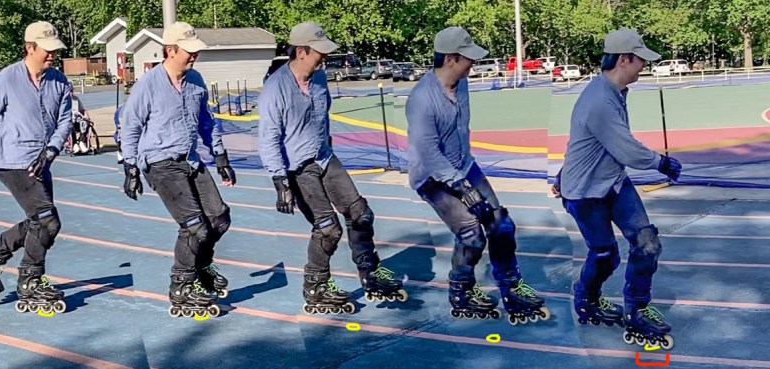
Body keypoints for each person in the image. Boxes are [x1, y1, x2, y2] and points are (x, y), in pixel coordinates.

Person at [257, 22, 406, 315]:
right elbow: (268, 138)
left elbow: (322, 117)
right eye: (319, 52)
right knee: (328, 229)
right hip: (298, 168)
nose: (324, 56)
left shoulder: (319, 78)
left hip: (325, 157)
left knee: (361, 214)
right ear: (301, 52)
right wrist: (280, 181)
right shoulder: (275, 89)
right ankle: (316, 286)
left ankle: (370, 271)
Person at [405, 27, 549, 325]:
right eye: (468, 58)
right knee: (471, 234)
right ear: (450, 59)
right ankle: (461, 292)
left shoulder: (462, 84)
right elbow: (430, 155)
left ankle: (511, 287)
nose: (473, 63)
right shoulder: (421, 99)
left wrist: (467, 181)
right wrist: (464, 189)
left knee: (501, 224)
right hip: (431, 176)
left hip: (464, 165)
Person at [557, 28, 679, 350]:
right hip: (585, 192)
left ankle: (637, 309)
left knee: (647, 243)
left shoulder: (614, 92)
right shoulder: (599, 99)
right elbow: (626, 149)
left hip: (613, 181)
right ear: (624, 59)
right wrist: (661, 163)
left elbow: (586, 142)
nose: (644, 66)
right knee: (605, 254)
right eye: (641, 60)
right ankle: (586, 298)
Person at [120, 21, 237, 318]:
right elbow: (130, 127)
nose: (194, 55)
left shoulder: (196, 80)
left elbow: (207, 121)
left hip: (190, 159)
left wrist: (220, 155)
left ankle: (200, 266)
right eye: (189, 51)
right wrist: (130, 167)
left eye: (196, 51)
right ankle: (182, 285)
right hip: (160, 162)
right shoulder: (148, 84)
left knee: (219, 218)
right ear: (170, 51)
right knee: (195, 226)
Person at [0, 21, 73, 314]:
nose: (52, 55)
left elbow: (65, 121)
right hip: (12, 161)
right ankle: (30, 280)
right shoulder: (7, 79)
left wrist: (51, 150)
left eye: (54, 50)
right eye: (46, 50)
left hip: (41, 161)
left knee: (40, 222)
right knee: (48, 222)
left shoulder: (59, 82)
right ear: (29, 48)